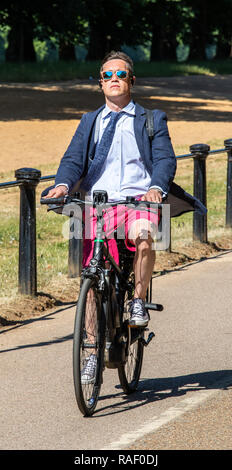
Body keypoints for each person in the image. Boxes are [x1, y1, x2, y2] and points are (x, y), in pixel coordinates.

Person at [43, 51, 206, 383]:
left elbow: (164, 159)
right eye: (107, 75)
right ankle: (90, 353)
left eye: (120, 73)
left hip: (139, 202)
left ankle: (138, 300)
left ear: (132, 80)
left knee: (146, 235)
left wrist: (157, 187)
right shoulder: (90, 120)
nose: (113, 78)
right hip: (96, 205)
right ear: (101, 83)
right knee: (91, 280)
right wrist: (62, 185)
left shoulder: (151, 118)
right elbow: (73, 159)